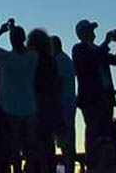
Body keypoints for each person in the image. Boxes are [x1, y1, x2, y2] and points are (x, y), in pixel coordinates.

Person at [0, 19, 38, 172]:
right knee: (30, 149)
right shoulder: (33, 58)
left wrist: (1, 31)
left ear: (11, 40)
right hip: (30, 108)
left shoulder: (6, 58)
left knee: (13, 150)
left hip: (9, 109)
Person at [71, 20, 116, 155]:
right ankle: (92, 160)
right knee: (93, 131)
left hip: (105, 97)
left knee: (105, 131)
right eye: (89, 29)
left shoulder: (97, 49)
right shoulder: (78, 49)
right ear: (82, 33)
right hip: (91, 99)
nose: (93, 32)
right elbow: (91, 60)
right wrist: (106, 42)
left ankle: (106, 160)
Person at [28, 29, 59, 173]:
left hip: (34, 107)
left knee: (35, 148)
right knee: (47, 145)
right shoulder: (52, 62)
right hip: (49, 107)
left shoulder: (30, 60)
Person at [51, 34, 77, 173]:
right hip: (67, 104)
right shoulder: (65, 60)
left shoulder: (59, 60)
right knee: (67, 142)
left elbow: (58, 83)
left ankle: (69, 169)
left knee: (65, 142)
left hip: (62, 106)